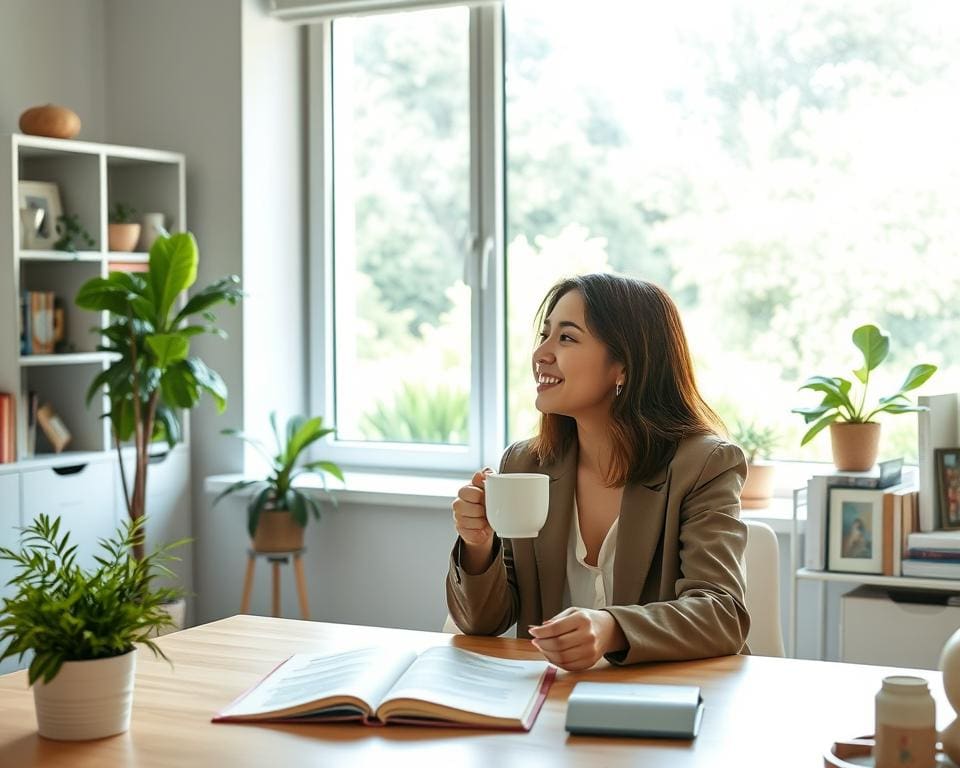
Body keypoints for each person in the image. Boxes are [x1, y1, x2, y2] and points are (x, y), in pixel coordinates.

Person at [446, 273, 750, 671]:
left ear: (623, 366)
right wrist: (477, 544)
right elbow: (480, 623)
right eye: (545, 335)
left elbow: (722, 613)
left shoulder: (704, 465)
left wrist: (613, 628)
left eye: (567, 338)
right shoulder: (524, 465)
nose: (541, 354)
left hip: (671, 698)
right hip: (550, 701)